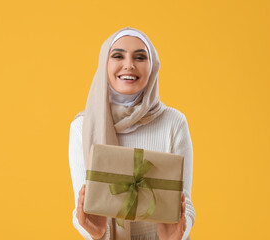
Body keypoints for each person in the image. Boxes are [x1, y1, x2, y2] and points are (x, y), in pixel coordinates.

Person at [69, 27, 195, 240]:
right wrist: (94, 231)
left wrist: (177, 235)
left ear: (152, 67)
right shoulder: (83, 126)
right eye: (118, 56)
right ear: (104, 64)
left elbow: (185, 203)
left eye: (140, 57)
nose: (129, 65)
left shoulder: (174, 122)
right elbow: (82, 207)